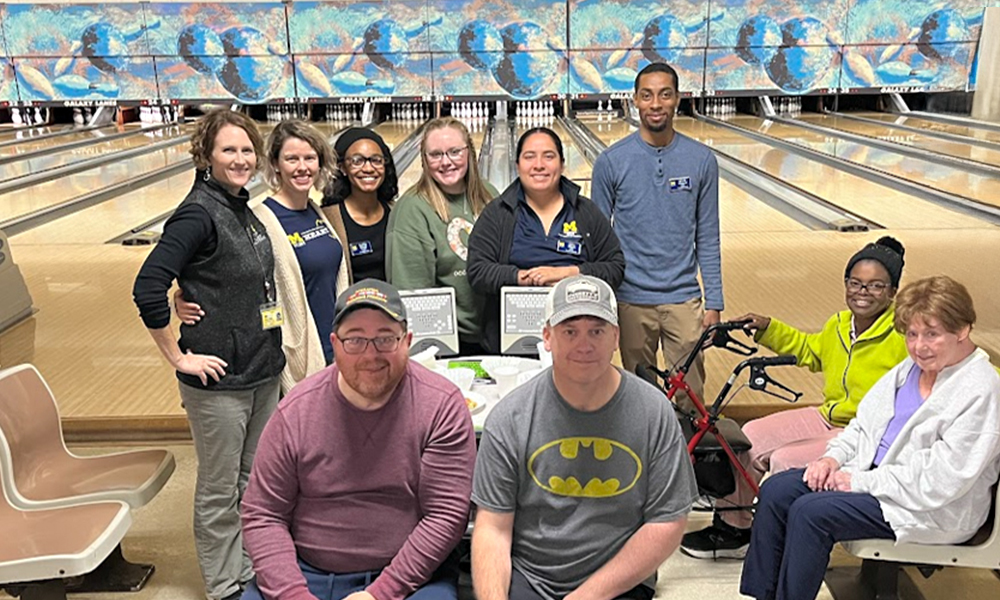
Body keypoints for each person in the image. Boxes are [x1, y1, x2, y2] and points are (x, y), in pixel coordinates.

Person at [740, 275, 1000, 600]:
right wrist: (831, 459)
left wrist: (858, 481)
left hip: (928, 506)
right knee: (777, 490)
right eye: (913, 334)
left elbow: (943, 480)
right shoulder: (911, 369)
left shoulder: (980, 388)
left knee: (811, 513)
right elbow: (862, 426)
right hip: (877, 480)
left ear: (962, 330)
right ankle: (762, 595)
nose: (919, 346)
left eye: (932, 334)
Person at [241, 279, 477, 600]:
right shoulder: (295, 411)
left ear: (407, 341)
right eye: (355, 340)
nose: (370, 355)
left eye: (384, 339)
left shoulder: (441, 406)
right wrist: (292, 594)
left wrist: (379, 594)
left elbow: (446, 515)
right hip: (305, 571)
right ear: (335, 344)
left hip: (410, 574)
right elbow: (263, 514)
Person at [132, 108, 285, 600]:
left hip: (261, 369)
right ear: (207, 155)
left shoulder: (242, 205)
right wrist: (179, 356)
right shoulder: (198, 212)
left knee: (252, 481)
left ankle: (246, 566)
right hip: (219, 381)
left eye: (247, 150)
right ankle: (224, 585)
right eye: (229, 150)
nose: (240, 159)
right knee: (221, 489)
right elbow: (148, 286)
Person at [471, 275, 698, 600]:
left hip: (619, 580)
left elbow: (667, 522)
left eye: (597, 330)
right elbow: (493, 527)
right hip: (531, 578)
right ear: (547, 336)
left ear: (616, 336)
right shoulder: (510, 418)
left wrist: (587, 596)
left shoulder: (653, 411)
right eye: (569, 331)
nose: (584, 344)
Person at [681, 237, 909, 559]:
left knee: (785, 460)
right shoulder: (839, 325)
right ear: (846, 284)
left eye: (875, 286)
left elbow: (952, 359)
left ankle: (787, 542)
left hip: (866, 432)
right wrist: (768, 328)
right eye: (856, 283)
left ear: (892, 292)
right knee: (750, 437)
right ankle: (735, 529)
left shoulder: (903, 333)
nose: (862, 292)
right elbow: (808, 350)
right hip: (829, 417)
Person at [176, 119, 349, 388]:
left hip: (334, 348)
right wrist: (183, 297)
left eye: (310, 158)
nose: (302, 167)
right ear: (276, 164)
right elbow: (228, 277)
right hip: (296, 356)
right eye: (292, 158)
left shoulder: (318, 213)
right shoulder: (259, 220)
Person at [590, 62, 722, 410]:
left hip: (683, 299)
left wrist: (715, 302)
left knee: (690, 400)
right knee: (636, 399)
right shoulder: (611, 161)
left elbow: (708, 234)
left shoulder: (701, 160)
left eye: (665, 94)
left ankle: (688, 461)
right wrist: (600, 300)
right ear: (634, 100)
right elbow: (597, 241)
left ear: (677, 98)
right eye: (647, 95)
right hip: (630, 299)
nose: (656, 103)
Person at [467, 128, 625, 354]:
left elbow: (615, 268)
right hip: (513, 336)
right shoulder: (498, 214)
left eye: (548, 156)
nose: (539, 165)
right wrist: (523, 277)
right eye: (529, 156)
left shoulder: (586, 212)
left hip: (578, 335)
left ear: (562, 164)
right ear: (517, 165)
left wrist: (565, 274)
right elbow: (477, 270)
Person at [387, 117, 498, 355]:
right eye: (435, 154)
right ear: (424, 159)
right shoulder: (412, 209)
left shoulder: (490, 195)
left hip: (494, 335)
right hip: (447, 344)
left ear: (469, 151)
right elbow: (413, 295)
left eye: (454, 151)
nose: (446, 162)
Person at [322, 127, 399, 282]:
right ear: (342, 167)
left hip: (392, 304)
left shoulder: (397, 213)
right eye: (357, 161)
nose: (368, 168)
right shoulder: (328, 220)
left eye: (376, 160)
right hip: (349, 305)